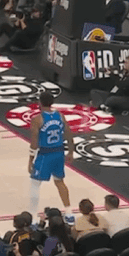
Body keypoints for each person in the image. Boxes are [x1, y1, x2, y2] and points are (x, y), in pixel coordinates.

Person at [27, 92, 75, 223]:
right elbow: (69, 134)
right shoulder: (60, 116)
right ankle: (69, 213)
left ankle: (32, 216)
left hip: (45, 154)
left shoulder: (37, 119)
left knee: (35, 183)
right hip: (59, 152)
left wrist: (30, 160)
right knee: (59, 182)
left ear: (39, 103)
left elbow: (34, 143)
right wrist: (71, 152)